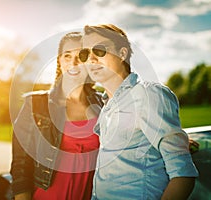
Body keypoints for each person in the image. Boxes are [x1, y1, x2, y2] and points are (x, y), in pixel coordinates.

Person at [79, 24, 199, 199]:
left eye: (99, 50)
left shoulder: (149, 95)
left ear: (122, 54)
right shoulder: (107, 106)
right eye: (85, 54)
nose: (91, 59)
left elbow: (183, 175)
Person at [10, 32, 103, 200]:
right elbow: (20, 166)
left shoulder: (103, 105)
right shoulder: (36, 104)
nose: (74, 63)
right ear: (60, 61)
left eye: (80, 56)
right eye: (67, 56)